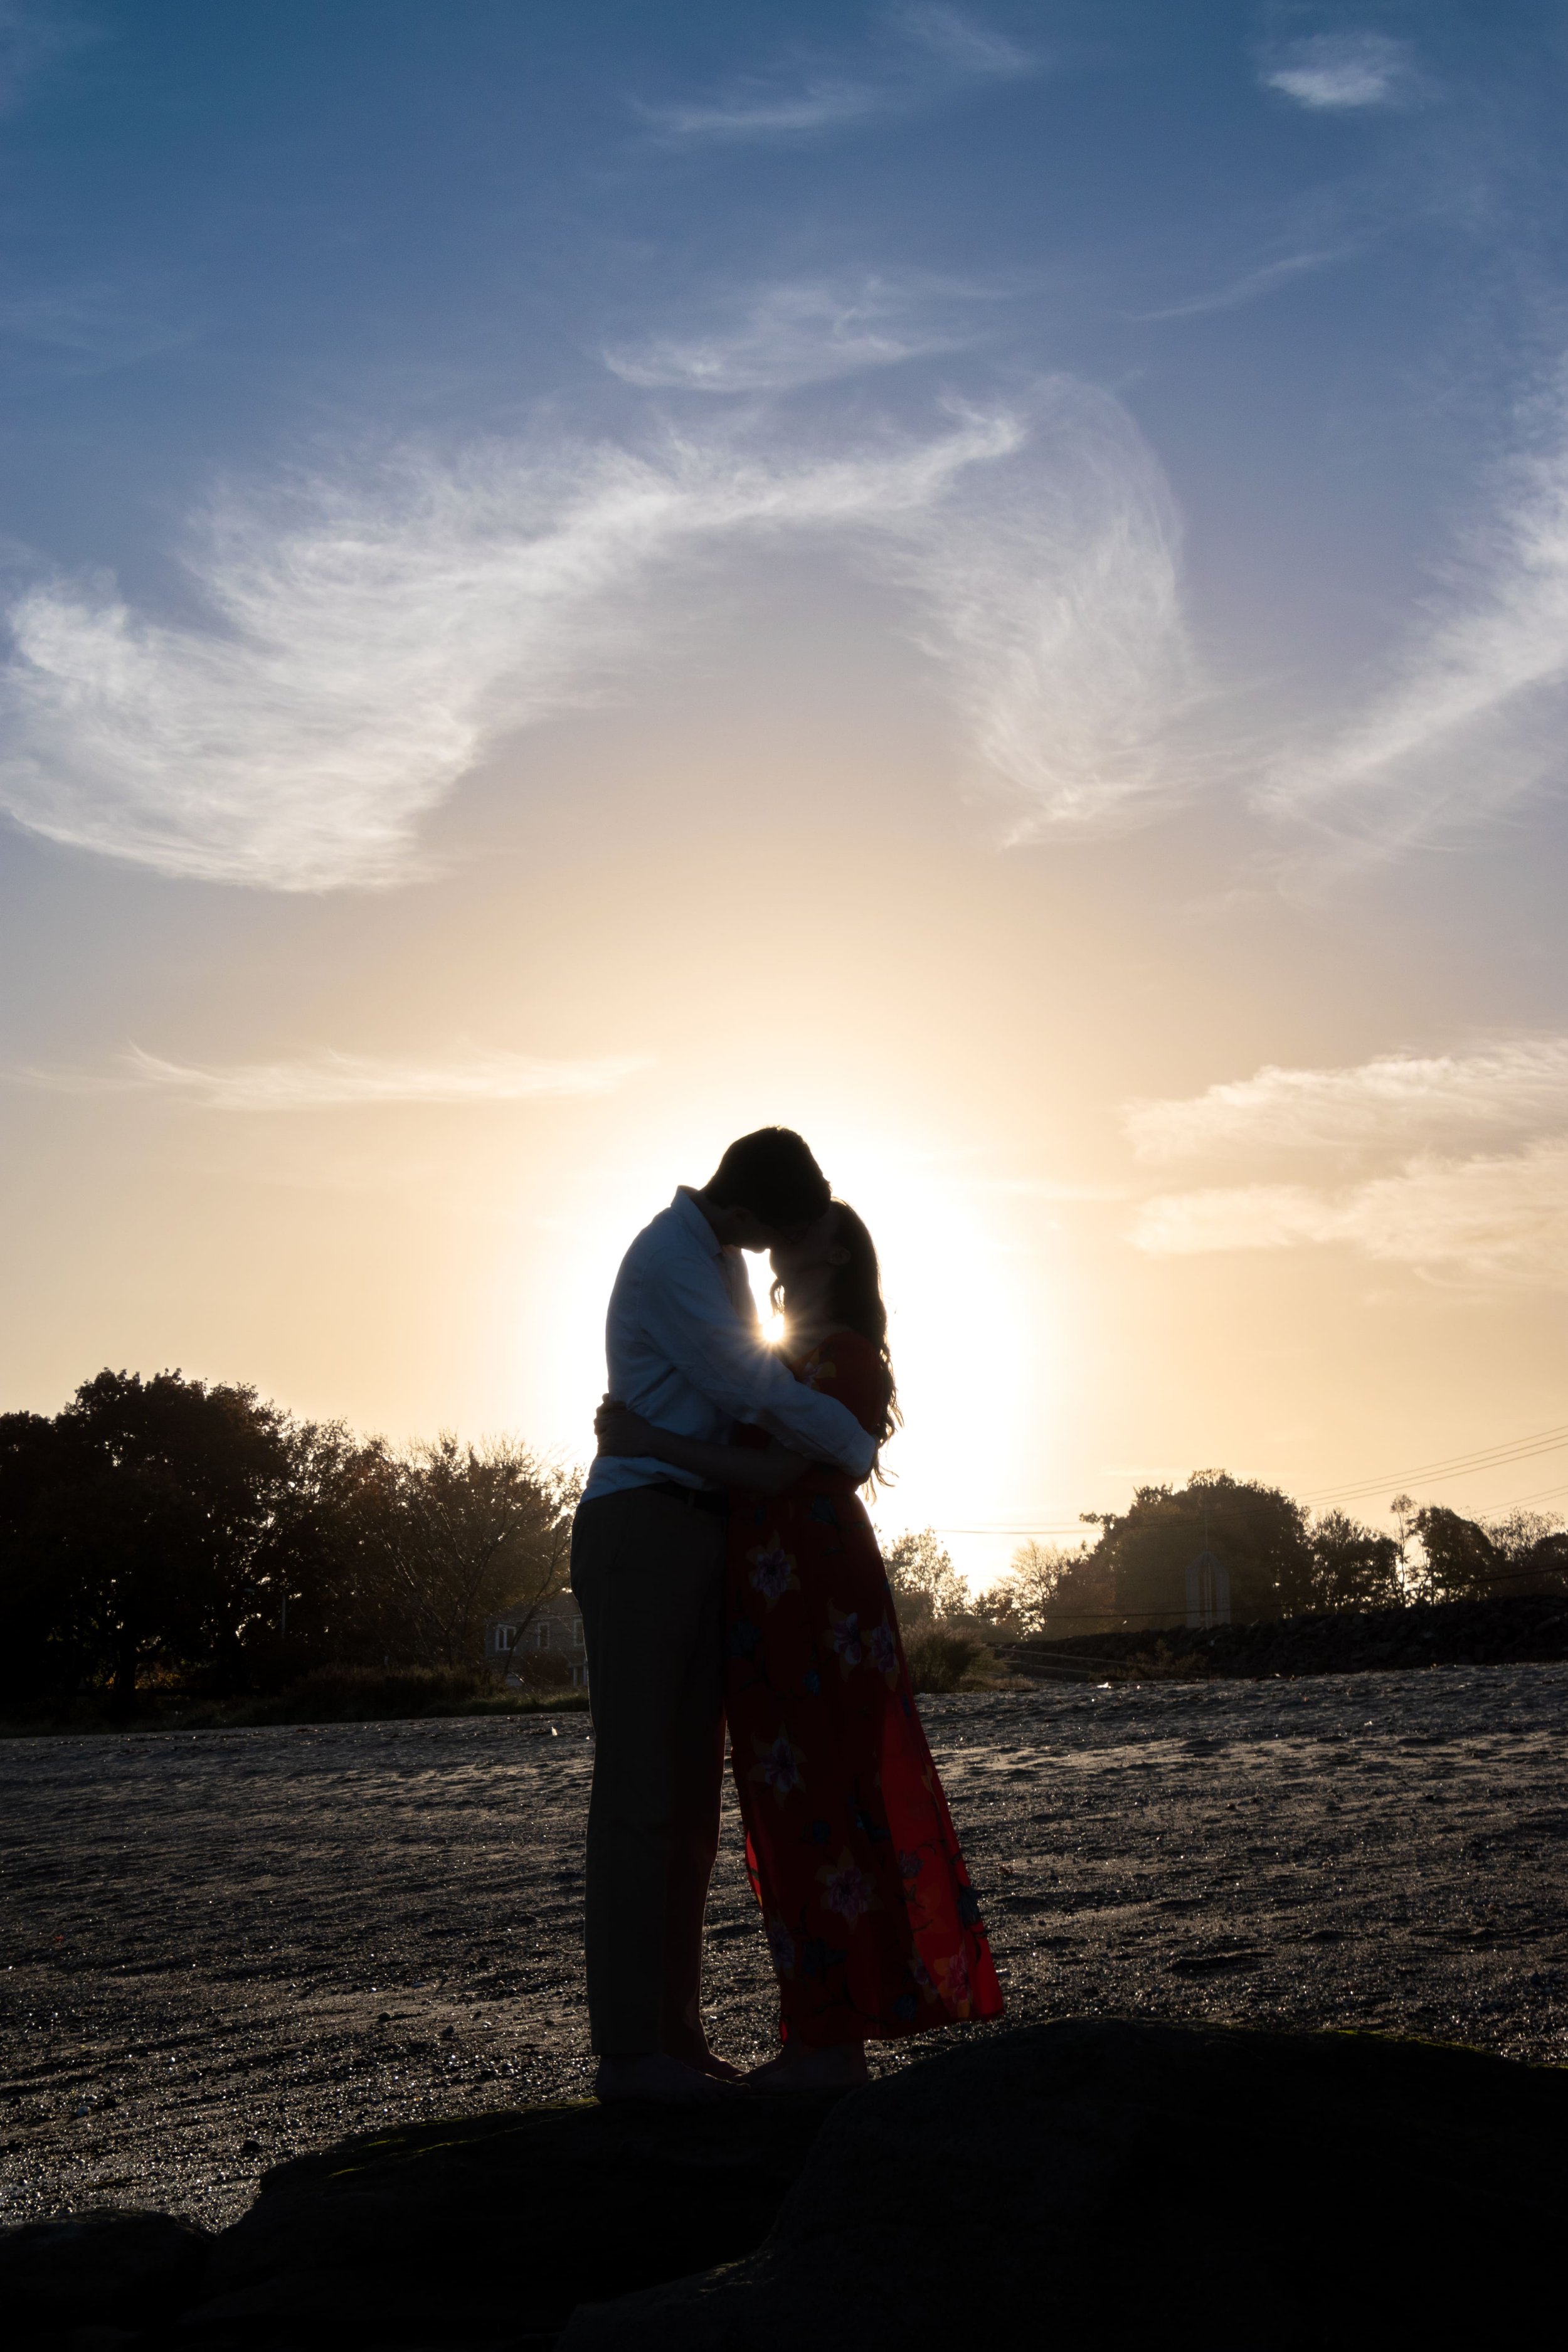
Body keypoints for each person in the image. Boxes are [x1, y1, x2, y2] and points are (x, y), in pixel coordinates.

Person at [595, 1197, 1004, 2089]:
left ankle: (833, 2044)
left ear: (838, 1245)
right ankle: (814, 2036)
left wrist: (645, 1437)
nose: (788, 1227)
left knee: (831, 1807)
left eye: (810, 1220)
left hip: (818, 1598)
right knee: (785, 1814)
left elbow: (782, 1466)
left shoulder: (846, 1356)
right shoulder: (771, 1353)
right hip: (766, 1600)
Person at [571, 1128, 879, 2106]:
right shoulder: (672, 1258)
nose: (778, 1255)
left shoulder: (712, 1254)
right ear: (748, 1216)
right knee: (639, 1796)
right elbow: (743, 1383)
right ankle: (631, 2055)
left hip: (702, 1528)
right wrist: (850, 1442)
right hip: (645, 1522)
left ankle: (674, 2038)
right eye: (777, 1234)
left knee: (691, 1810)